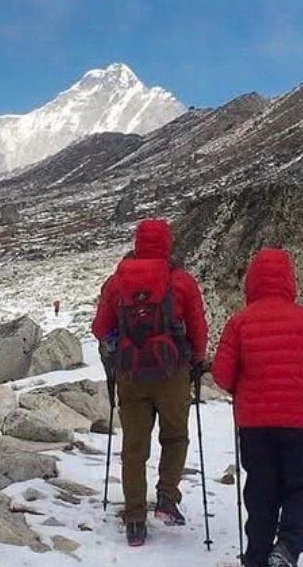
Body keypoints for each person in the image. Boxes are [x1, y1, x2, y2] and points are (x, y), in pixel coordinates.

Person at [212, 248, 303, 567]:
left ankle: (257, 558)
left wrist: (244, 385)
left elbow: (221, 375)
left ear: (251, 282)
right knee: (301, 487)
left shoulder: (239, 322)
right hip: (301, 423)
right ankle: (289, 546)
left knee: (261, 493)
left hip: (255, 425)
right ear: (289, 281)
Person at [92, 219, 209, 547]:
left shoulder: (118, 281)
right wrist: (197, 358)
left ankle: (134, 520)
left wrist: (119, 341)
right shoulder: (181, 280)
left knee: (134, 448)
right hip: (172, 374)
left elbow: (100, 329)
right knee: (175, 437)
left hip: (131, 376)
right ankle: (167, 498)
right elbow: (198, 326)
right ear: (168, 243)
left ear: (138, 242)